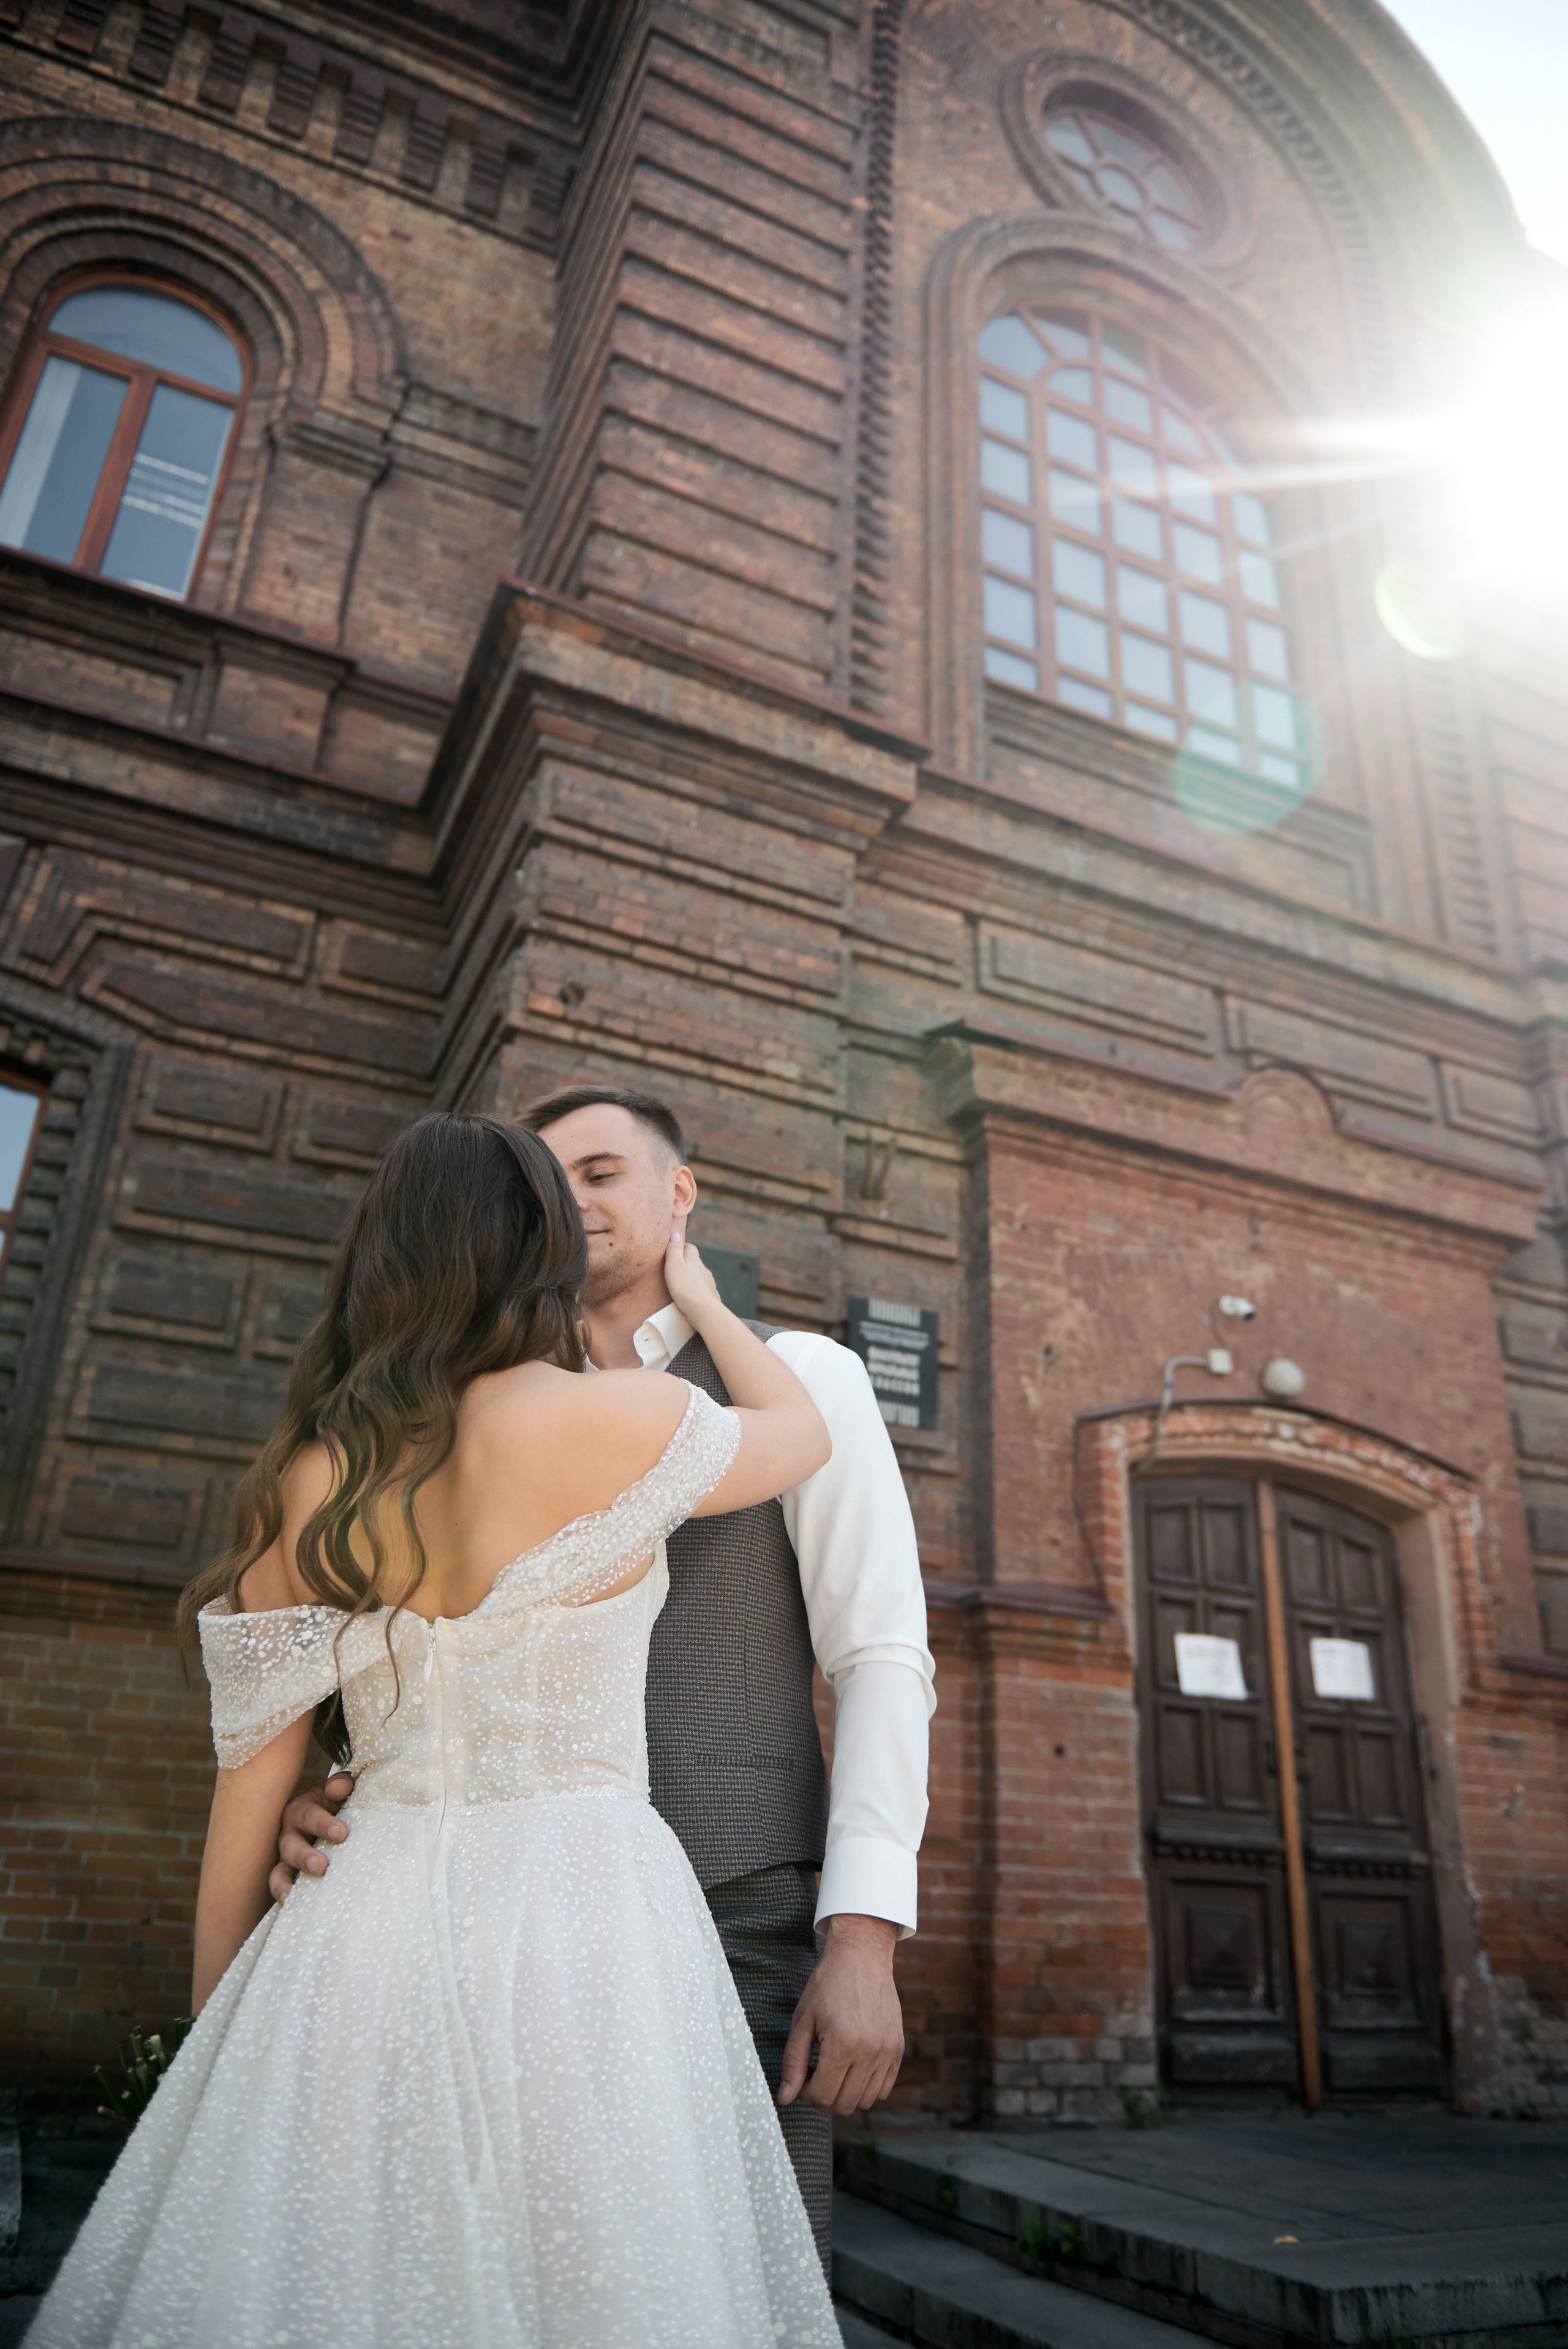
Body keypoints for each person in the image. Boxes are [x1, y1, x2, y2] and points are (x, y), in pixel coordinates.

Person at [28, 1113, 843, 2349]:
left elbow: (246, 1800)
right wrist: (704, 1300)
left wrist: (213, 2061)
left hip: (355, 1923)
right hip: (588, 1915)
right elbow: (803, 1436)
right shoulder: (615, 1417)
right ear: (536, 1250)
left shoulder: (313, 1476)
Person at [273, 1084, 937, 2272]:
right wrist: (335, 1791)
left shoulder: (804, 1376)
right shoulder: (462, 1408)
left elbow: (880, 1655)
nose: (571, 1202)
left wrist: (864, 1936)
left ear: (677, 1194)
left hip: (737, 1901)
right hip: (475, 1914)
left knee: (724, 2264)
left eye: (601, 1173)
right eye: (549, 1180)